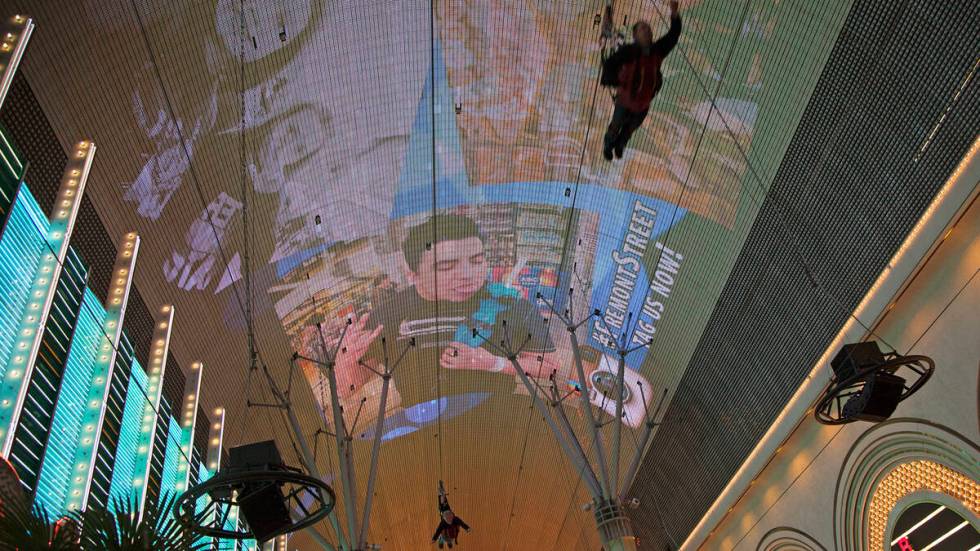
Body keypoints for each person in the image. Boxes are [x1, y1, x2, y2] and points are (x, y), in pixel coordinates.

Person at [332, 214, 565, 406]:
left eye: (476, 260)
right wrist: (345, 363)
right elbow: (347, 388)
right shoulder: (389, 315)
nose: (467, 275)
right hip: (423, 436)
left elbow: (551, 366)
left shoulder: (509, 304)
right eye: (446, 266)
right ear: (412, 274)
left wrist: (494, 363)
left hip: (498, 424)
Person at [601, 1, 683, 161]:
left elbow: (673, 36)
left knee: (630, 129)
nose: (647, 30)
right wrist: (614, 81)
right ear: (635, 35)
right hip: (624, 101)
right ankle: (608, 144)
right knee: (615, 125)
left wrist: (674, 13)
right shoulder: (628, 51)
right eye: (642, 28)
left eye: (648, 28)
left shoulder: (657, 50)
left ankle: (620, 145)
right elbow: (610, 64)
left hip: (643, 105)